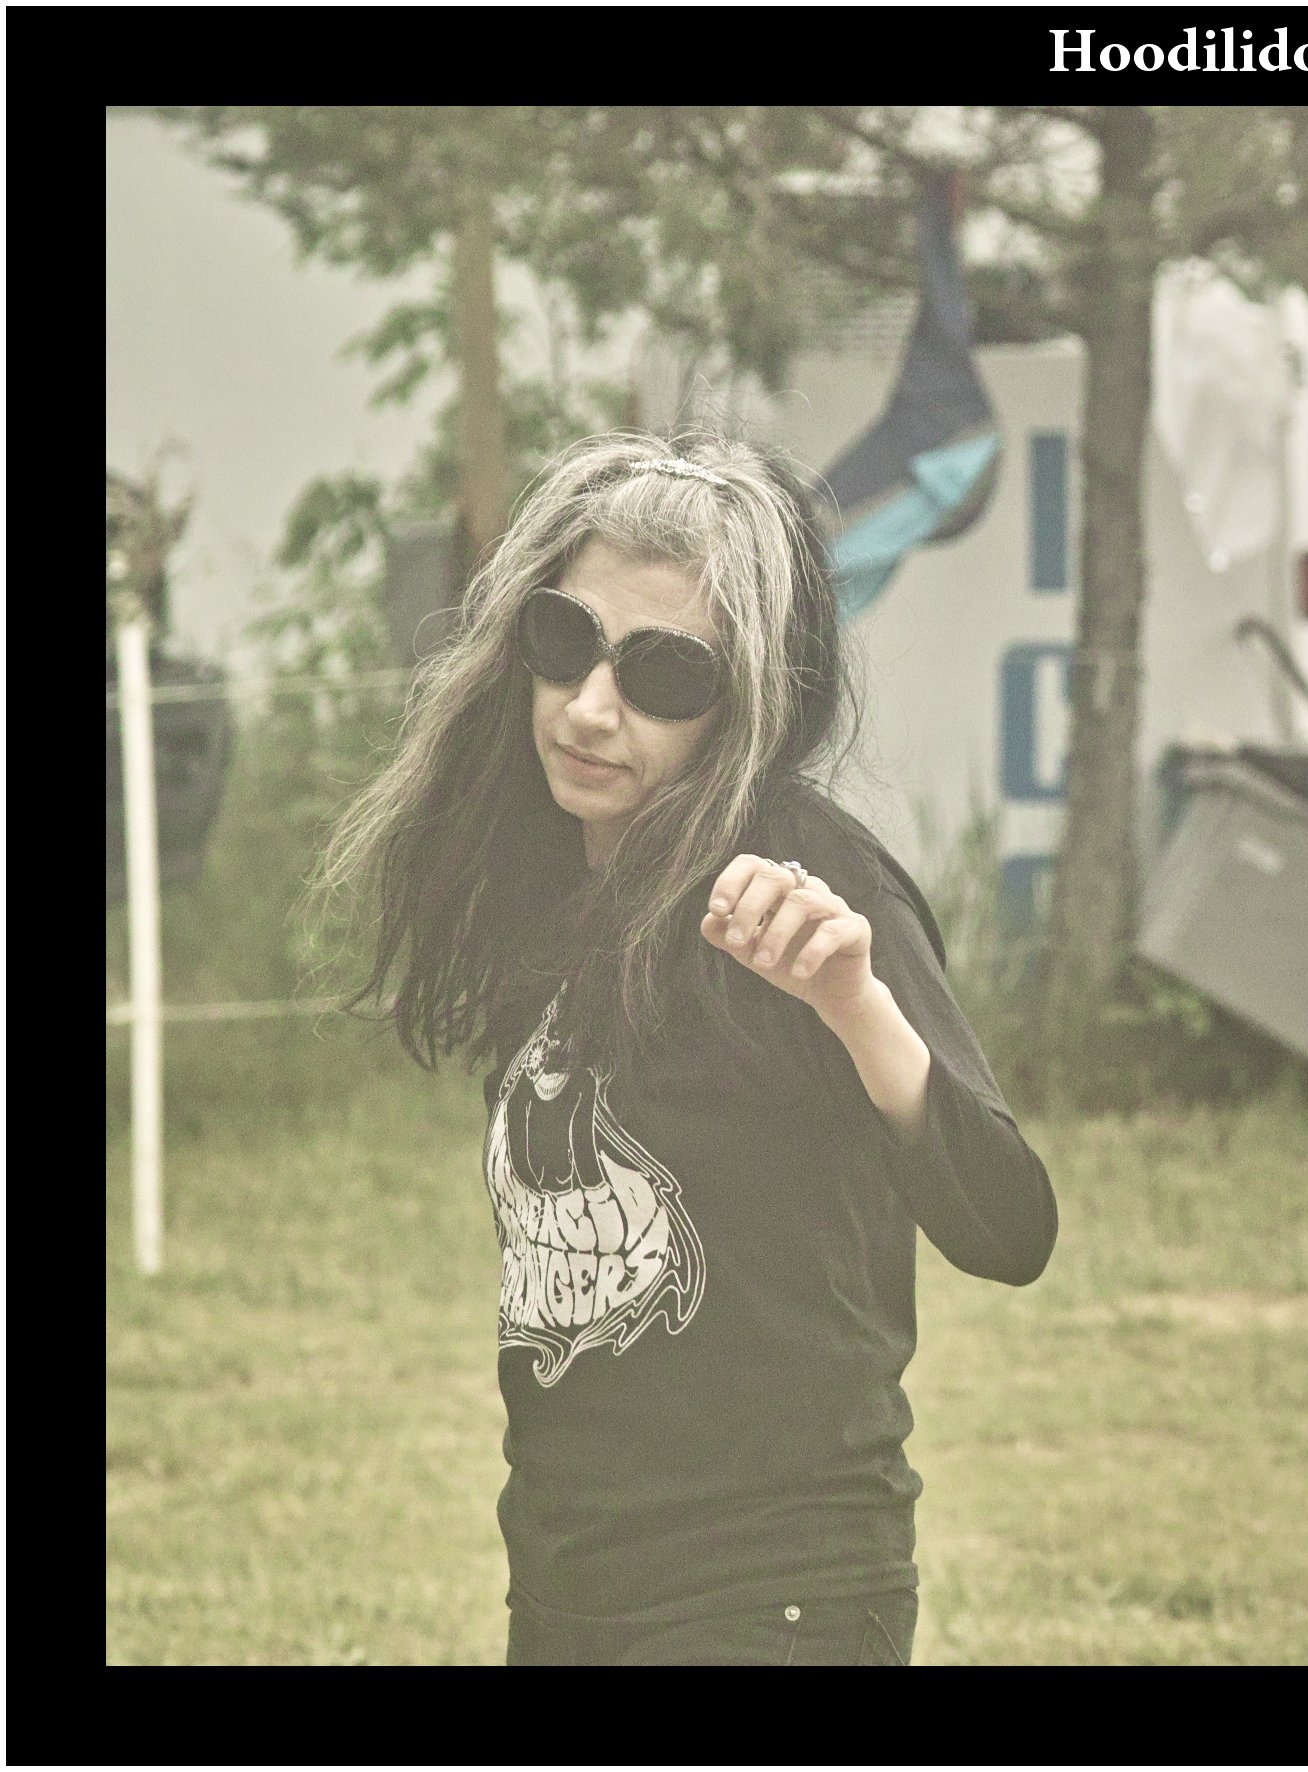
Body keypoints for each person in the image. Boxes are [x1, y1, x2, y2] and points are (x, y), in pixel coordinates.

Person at [320, 431, 1056, 1665]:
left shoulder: (806, 883)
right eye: (565, 640)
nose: (590, 706)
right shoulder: (549, 880)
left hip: (772, 1599)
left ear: (749, 701)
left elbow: (1010, 1224)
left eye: (663, 673)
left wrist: (855, 1004)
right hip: (569, 1592)